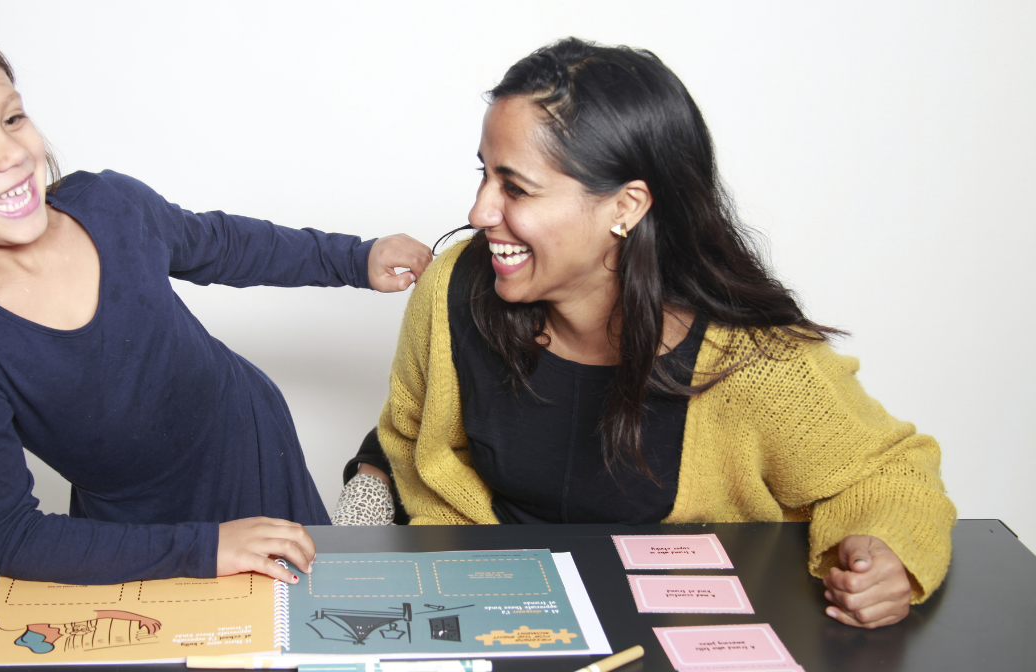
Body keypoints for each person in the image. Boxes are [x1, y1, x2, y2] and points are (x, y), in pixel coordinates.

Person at [341, 38, 955, 629]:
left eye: (516, 187)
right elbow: (407, 438)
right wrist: (349, 534)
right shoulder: (452, 286)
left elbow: (886, 472)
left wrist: (888, 554)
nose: (479, 211)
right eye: (484, 175)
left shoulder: (751, 357)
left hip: (673, 633)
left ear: (626, 207)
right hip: (495, 616)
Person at [0, 18, 432, 586]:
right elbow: (11, 534)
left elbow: (223, 243)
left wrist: (352, 258)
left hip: (254, 447)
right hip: (140, 535)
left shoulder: (109, 204)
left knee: (310, 627)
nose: (13, 153)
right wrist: (204, 548)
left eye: (12, 117)